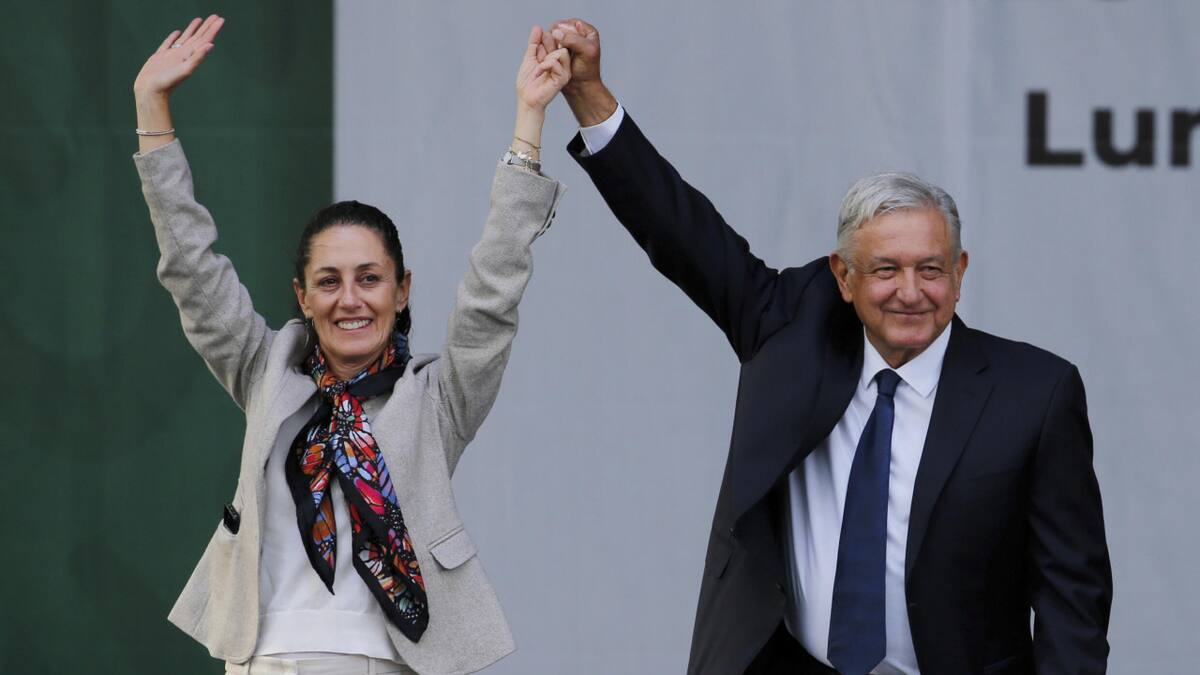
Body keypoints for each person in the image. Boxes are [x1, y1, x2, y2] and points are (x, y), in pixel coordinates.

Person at [546, 18, 1112, 675]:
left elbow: (1074, 598)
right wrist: (588, 93)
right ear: (843, 276)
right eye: (885, 269)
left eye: (931, 269)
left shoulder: (1035, 394)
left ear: (960, 273)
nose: (910, 291)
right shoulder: (788, 328)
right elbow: (679, 228)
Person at [133, 15, 570, 675]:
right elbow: (193, 271)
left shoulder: (438, 398)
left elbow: (493, 289)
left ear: (402, 291)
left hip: (384, 659)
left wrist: (528, 122)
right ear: (303, 298)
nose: (351, 298)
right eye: (329, 282)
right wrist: (152, 109)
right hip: (261, 657)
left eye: (370, 279)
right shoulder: (267, 369)